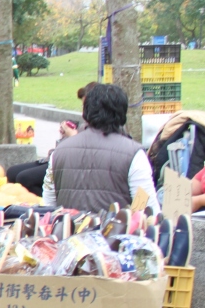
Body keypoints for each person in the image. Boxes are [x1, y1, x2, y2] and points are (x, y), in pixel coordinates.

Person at [43, 83, 159, 212]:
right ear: (122, 112)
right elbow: (146, 209)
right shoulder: (134, 154)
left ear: (85, 111)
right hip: (115, 224)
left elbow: (48, 204)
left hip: (68, 224)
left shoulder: (59, 152)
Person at [6, 120, 78, 196]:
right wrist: (65, 135)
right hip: (52, 159)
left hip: (66, 165)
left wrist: (73, 136)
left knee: (23, 179)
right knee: (12, 172)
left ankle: (51, 198)